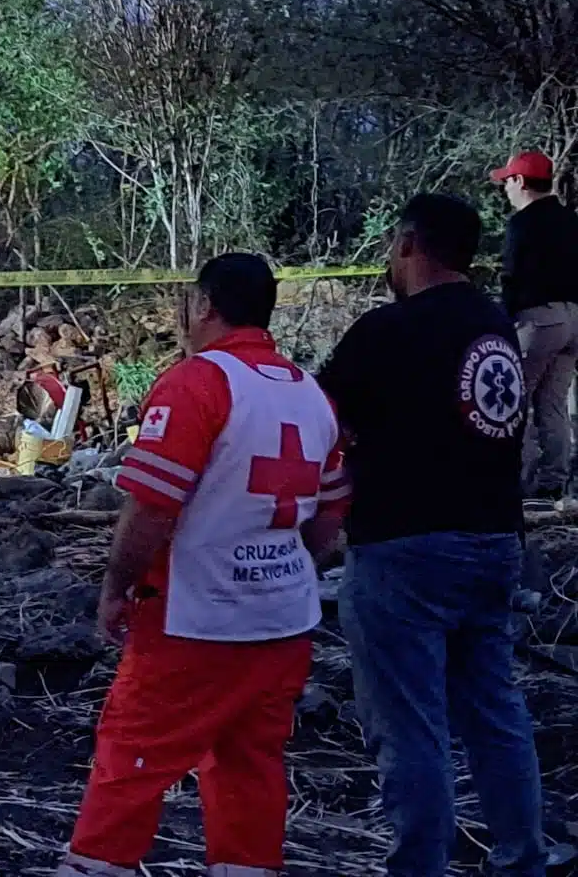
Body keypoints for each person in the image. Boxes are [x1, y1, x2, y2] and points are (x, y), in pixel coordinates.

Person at [54, 254, 346, 877]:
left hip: (196, 618)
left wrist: (115, 587)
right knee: (251, 765)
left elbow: (152, 507)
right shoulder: (311, 394)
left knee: (132, 757)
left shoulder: (197, 384)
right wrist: (287, 570)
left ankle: (97, 865)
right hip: (284, 621)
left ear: (204, 305)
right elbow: (329, 515)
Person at [319, 193, 543, 876]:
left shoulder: (389, 330)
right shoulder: (495, 326)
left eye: (392, 246)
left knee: (411, 726)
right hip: (494, 542)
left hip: (405, 547)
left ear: (410, 243)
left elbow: (319, 416)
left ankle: (418, 866)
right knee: (495, 712)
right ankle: (521, 858)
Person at [491, 149, 578, 495]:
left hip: (538, 320)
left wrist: (502, 320)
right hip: (574, 319)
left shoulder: (522, 224)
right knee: (553, 403)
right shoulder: (571, 220)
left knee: (515, 400)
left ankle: (521, 482)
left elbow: (512, 277)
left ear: (520, 181)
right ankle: (555, 481)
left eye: (507, 181)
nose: (505, 189)